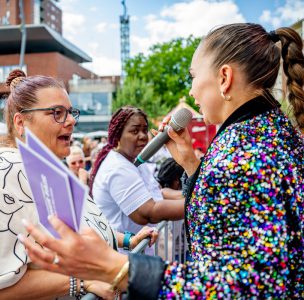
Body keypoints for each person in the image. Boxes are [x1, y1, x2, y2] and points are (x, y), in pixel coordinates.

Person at [19, 23, 304, 298]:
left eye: (193, 76)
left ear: (224, 78)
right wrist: (192, 164)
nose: (191, 92)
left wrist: (117, 268)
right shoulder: (269, 132)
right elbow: (225, 224)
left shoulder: (242, 154)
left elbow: (252, 287)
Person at [0, 69, 156, 299]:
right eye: (57, 113)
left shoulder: (45, 166)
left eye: (70, 112)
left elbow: (75, 227)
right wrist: (82, 281)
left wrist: (125, 239)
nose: (72, 120)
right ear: (21, 122)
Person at [90, 106, 185, 236]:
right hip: (123, 254)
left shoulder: (135, 161)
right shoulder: (118, 168)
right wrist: (197, 203)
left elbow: (156, 192)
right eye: (135, 131)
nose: (142, 136)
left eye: (145, 130)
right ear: (118, 136)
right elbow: (148, 213)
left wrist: (188, 195)